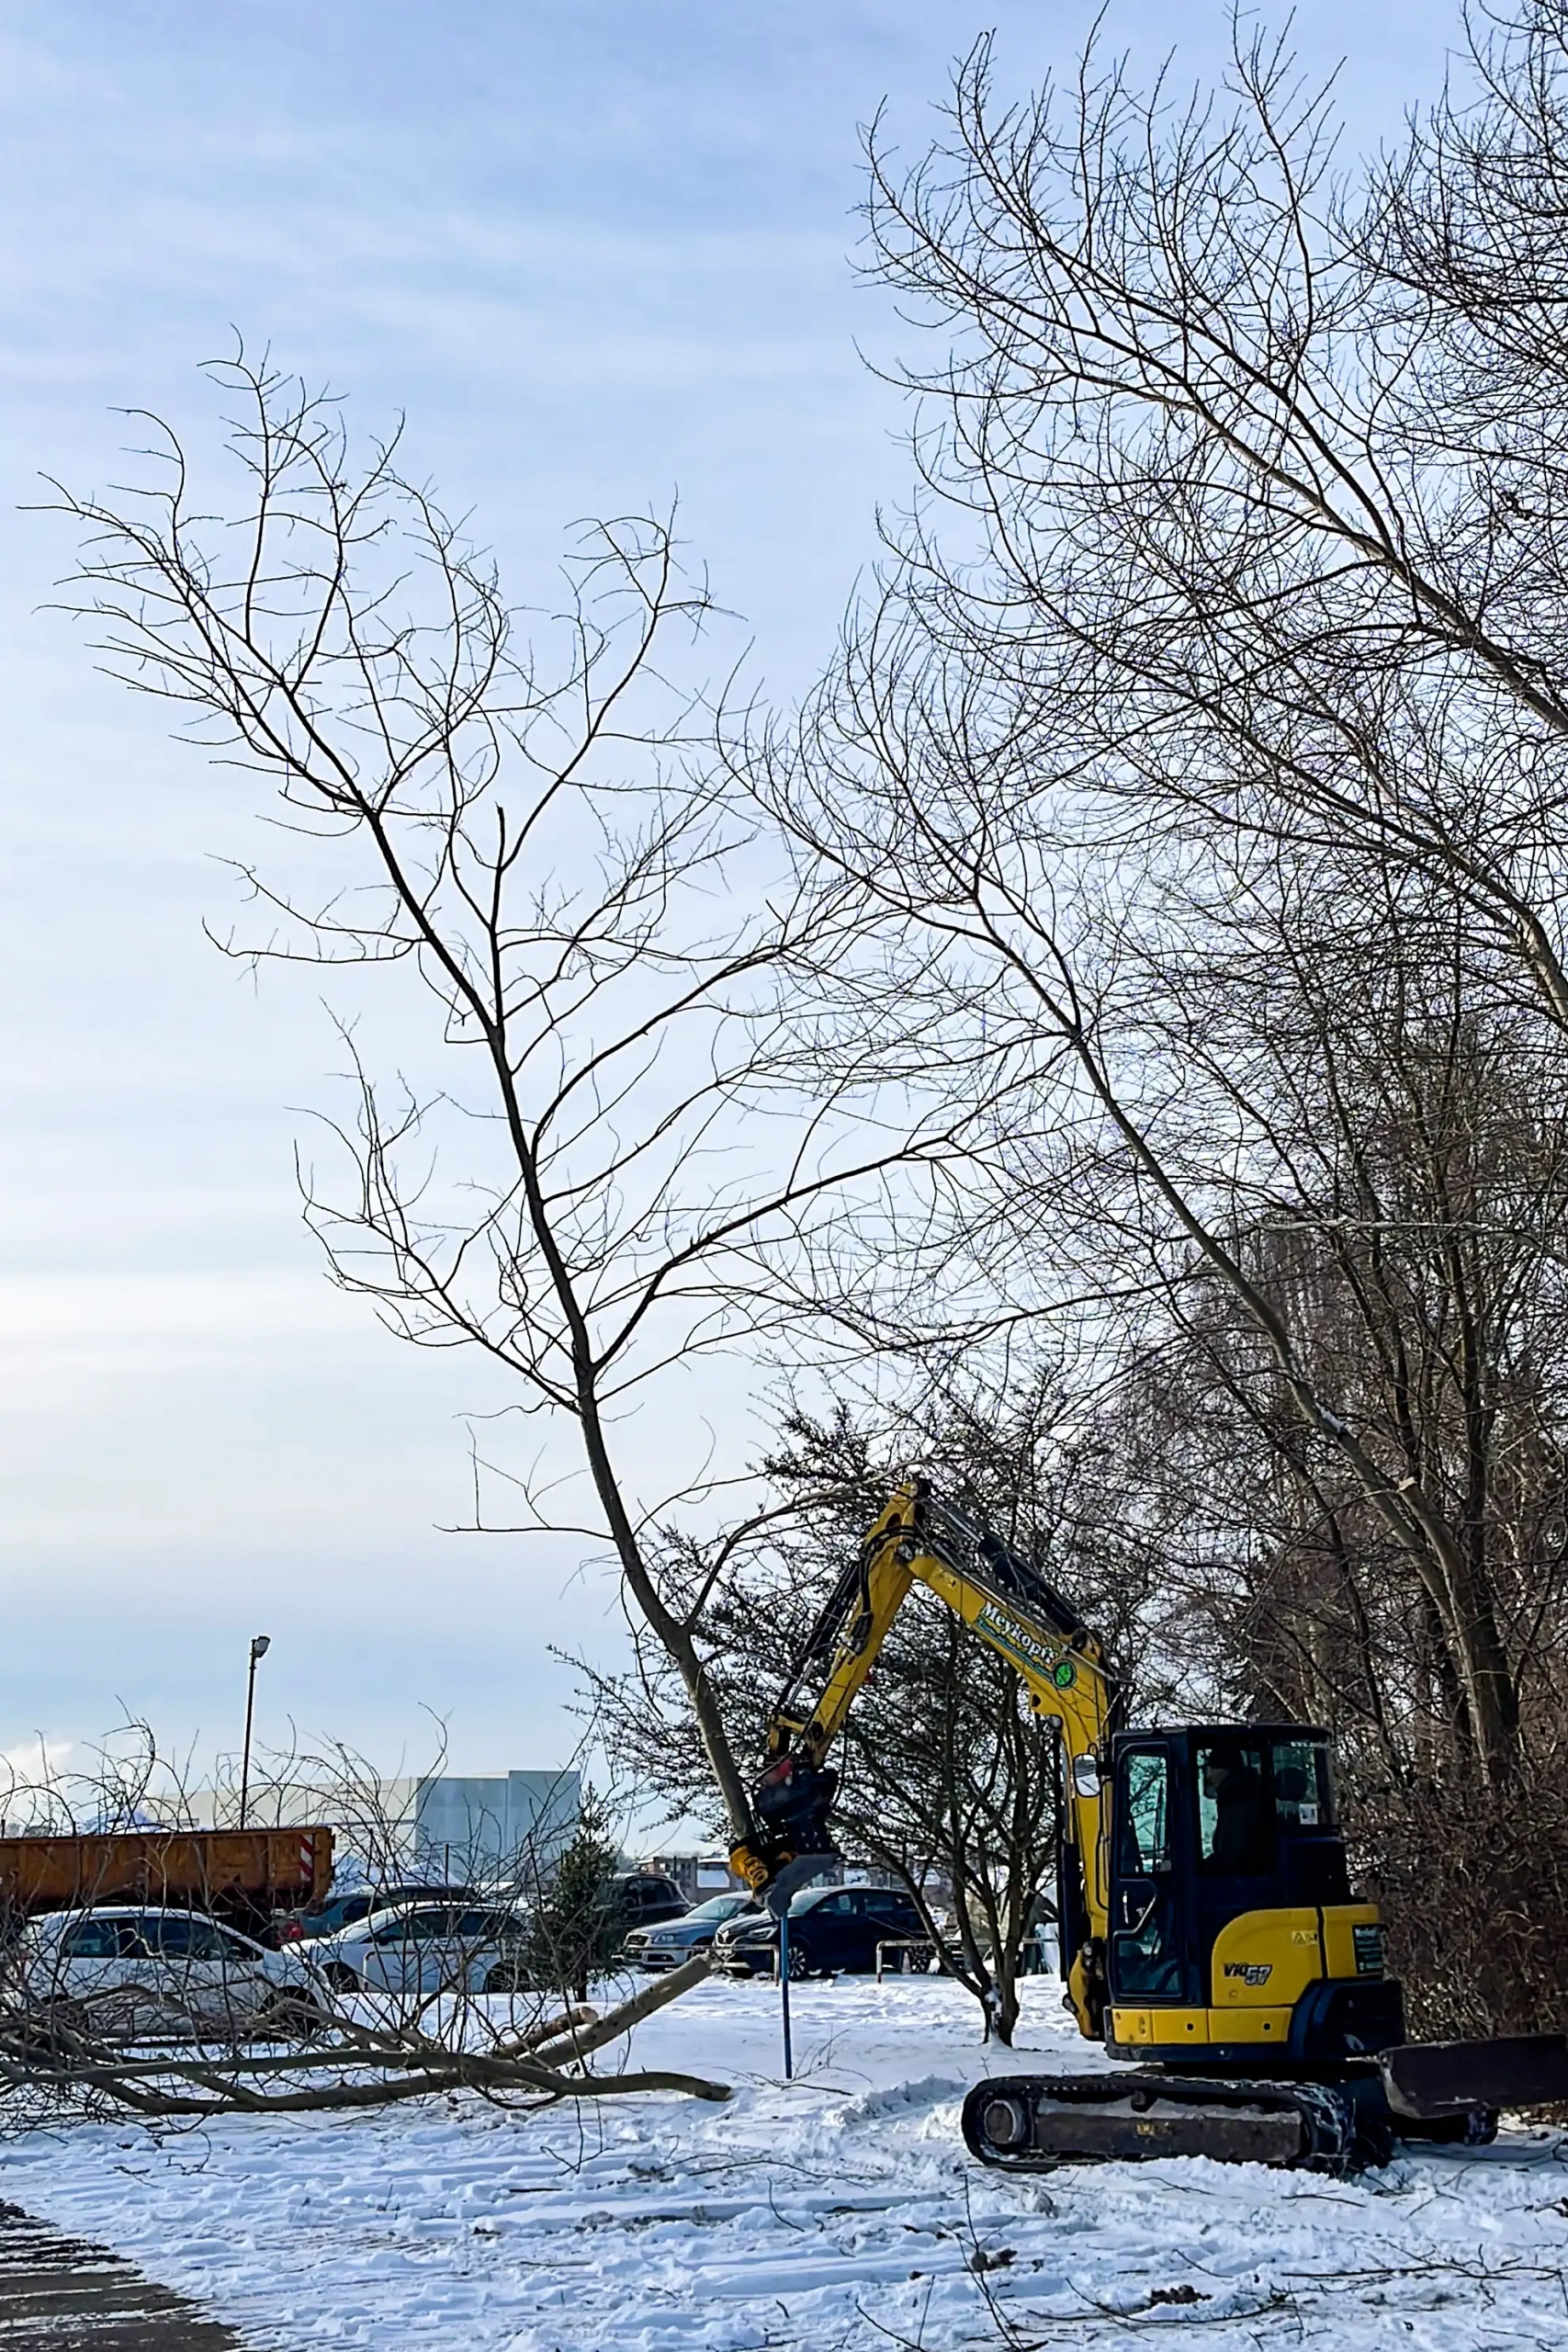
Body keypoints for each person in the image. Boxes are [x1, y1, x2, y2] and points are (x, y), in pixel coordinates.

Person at [1201, 1747, 1271, 1875]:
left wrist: (1198, 1868)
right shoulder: (1238, 1796)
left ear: (1223, 1770)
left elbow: (1232, 1857)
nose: (1207, 1773)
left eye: (1210, 1767)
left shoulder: (1238, 1802)